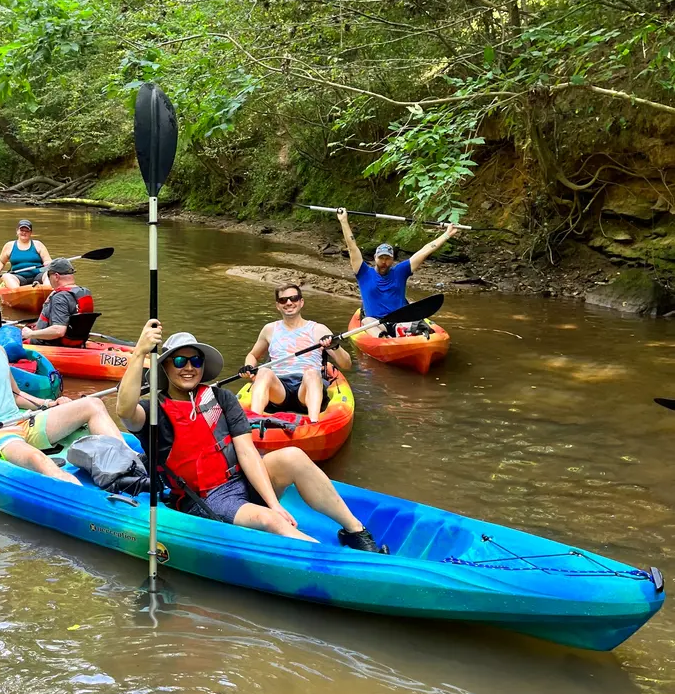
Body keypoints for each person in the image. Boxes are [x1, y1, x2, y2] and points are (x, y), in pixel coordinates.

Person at [116, 321, 381, 550]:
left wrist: (272, 503)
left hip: (240, 481)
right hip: (205, 499)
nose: (188, 367)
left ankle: (355, 530)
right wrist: (140, 351)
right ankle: (327, 561)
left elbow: (246, 452)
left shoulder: (221, 398)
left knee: (293, 457)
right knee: (272, 521)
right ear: (165, 368)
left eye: (195, 361)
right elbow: (125, 410)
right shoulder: (155, 411)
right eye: (179, 361)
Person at [0, 284, 123, 483]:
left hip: (24, 421)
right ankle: (78, 494)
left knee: (93, 404)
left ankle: (129, 464)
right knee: (39, 459)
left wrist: (49, 403)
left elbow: (16, 394)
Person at [241, 284, 352, 422]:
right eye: (283, 300)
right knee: (263, 371)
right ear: (278, 305)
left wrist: (335, 347)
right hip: (279, 389)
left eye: (293, 298)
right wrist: (249, 367)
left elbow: (346, 364)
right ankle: (254, 423)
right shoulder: (269, 329)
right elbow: (252, 355)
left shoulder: (318, 329)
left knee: (311, 373)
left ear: (301, 302)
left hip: (307, 388)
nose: (289, 303)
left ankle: (313, 423)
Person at [336, 208, 458, 319]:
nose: (384, 262)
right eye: (381, 258)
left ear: (393, 259)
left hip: (400, 321)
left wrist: (447, 235)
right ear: (375, 258)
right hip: (373, 323)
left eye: (388, 258)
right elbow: (352, 247)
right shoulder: (363, 272)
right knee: (367, 321)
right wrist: (343, 221)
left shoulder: (400, 271)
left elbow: (424, 251)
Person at [20, 258, 93, 347]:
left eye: (48, 275)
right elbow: (70, 319)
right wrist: (40, 323)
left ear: (56, 276)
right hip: (76, 342)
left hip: (49, 344)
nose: (49, 279)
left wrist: (30, 334)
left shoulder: (60, 297)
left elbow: (59, 330)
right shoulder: (84, 292)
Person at [0, 219, 52, 288]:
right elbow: (1, 261)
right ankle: (17, 291)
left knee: (48, 274)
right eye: (22, 230)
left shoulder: (38, 244)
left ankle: (45, 289)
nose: (24, 233)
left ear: (31, 233)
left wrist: (47, 263)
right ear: (17, 231)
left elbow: (48, 261)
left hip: (38, 275)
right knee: (6, 276)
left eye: (27, 231)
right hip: (18, 277)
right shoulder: (9, 246)